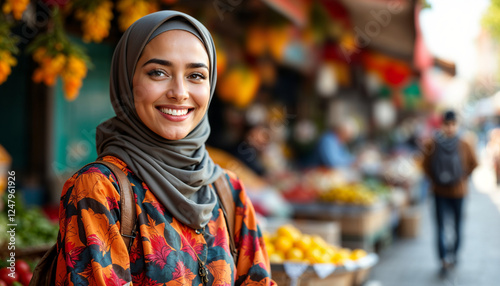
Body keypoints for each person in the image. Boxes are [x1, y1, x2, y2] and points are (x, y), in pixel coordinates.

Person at [54, 11, 275, 285]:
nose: (179, 92)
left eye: (196, 75)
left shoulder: (229, 192)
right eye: (158, 72)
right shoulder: (99, 190)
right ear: (127, 81)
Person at [422, 110, 478, 277]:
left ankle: (444, 259)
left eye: (453, 124)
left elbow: (424, 166)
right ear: (443, 125)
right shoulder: (464, 142)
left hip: (440, 191)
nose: (450, 128)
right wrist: (462, 177)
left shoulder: (432, 143)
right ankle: (451, 257)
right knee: (455, 225)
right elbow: (474, 163)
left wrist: (435, 179)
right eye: (448, 124)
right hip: (457, 191)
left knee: (441, 226)